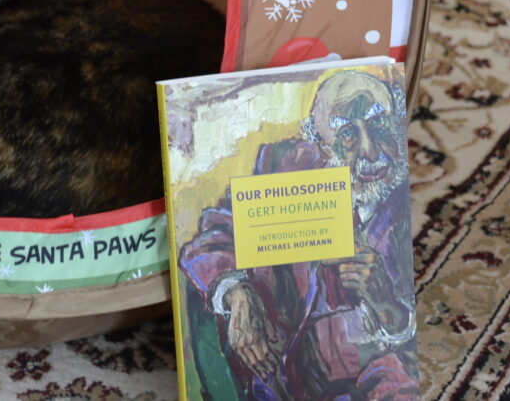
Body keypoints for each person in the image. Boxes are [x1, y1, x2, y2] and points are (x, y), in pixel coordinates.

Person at [179, 70, 419, 400]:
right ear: (319, 145)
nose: (370, 151)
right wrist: (236, 291)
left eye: (379, 124)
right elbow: (211, 238)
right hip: (284, 371)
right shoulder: (284, 165)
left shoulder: (407, 198)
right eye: (347, 134)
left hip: (379, 376)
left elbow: (410, 353)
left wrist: (388, 303)